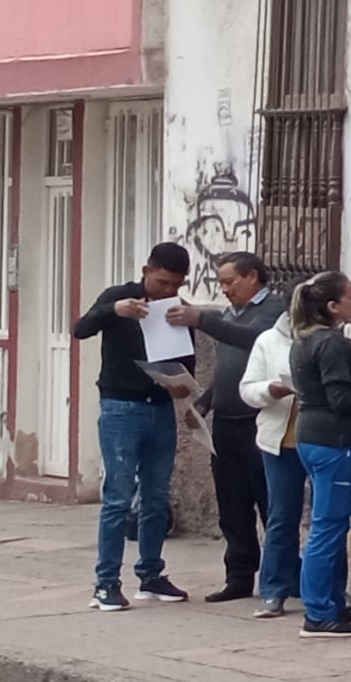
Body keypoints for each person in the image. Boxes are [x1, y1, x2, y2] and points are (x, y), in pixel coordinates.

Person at [79, 240, 201, 609]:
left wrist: (181, 385)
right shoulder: (121, 297)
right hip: (121, 407)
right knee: (117, 497)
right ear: (147, 271)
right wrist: (114, 310)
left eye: (176, 285)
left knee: (156, 496)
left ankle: (151, 575)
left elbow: (187, 364)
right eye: (162, 282)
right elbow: (81, 327)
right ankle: (106, 582)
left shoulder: (175, 308)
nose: (168, 291)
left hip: (160, 406)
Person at [179, 253, 285, 604]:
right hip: (225, 422)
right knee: (232, 504)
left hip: (259, 420)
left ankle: (282, 574)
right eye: (221, 283)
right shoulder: (228, 314)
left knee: (270, 502)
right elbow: (226, 370)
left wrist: (202, 319)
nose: (224, 290)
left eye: (229, 282)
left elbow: (252, 339)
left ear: (252, 276)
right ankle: (238, 575)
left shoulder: (274, 310)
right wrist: (205, 403)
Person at [282, 271, 351, 636]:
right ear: (332, 306)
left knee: (333, 523)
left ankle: (333, 603)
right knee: (327, 525)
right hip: (335, 441)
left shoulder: (305, 340)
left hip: (316, 437)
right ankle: (319, 611)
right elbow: (341, 399)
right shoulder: (331, 343)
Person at [238, 283, 308, 619]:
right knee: (281, 516)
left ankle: (325, 586)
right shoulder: (269, 339)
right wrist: (272, 389)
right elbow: (248, 389)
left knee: (330, 518)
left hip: (325, 438)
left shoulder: (344, 333)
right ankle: (273, 590)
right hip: (281, 439)